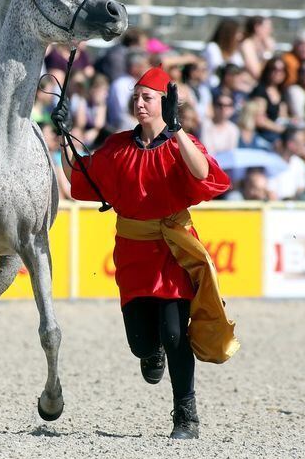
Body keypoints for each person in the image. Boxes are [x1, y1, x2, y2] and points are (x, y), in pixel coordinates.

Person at [59, 65, 235, 439]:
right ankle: (149, 351)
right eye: (136, 97)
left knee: (175, 334)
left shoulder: (179, 143)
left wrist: (178, 129)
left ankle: (186, 416)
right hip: (132, 250)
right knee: (141, 343)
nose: (139, 103)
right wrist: (61, 137)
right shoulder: (118, 146)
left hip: (173, 247)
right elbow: (82, 178)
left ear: (164, 103)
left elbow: (204, 173)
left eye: (147, 98)